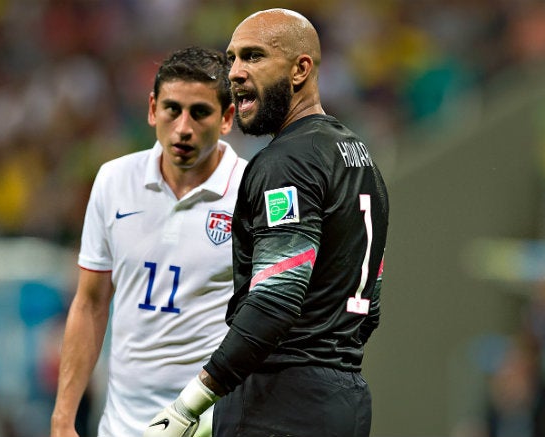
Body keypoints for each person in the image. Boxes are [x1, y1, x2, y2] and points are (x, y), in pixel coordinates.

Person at [144, 9, 390, 437]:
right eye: (232, 58)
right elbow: (369, 310)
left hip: (281, 405)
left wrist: (189, 406)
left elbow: (274, 302)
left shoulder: (287, 164)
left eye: (253, 57)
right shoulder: (359, 157)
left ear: (301, 69)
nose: (235, 73)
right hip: (344, 402)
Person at [50, 46, 247, 437]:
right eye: (172, 109)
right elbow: (90, 303)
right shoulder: (113, 181)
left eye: (200, 112)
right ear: (152, 108)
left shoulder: (250, 190)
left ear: (226, 118)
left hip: (211, 424)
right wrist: (63, 418)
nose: (183, 127)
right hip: (122, 425)